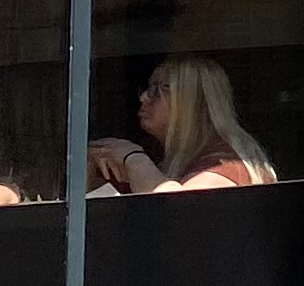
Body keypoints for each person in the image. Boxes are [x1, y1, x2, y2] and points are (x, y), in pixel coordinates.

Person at [89, 54, 279, 193]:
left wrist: (133, 157)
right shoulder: (178, 161)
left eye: (157, 90)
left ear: (192, 101)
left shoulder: (224, 162)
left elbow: (179, 215)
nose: (143, 97)